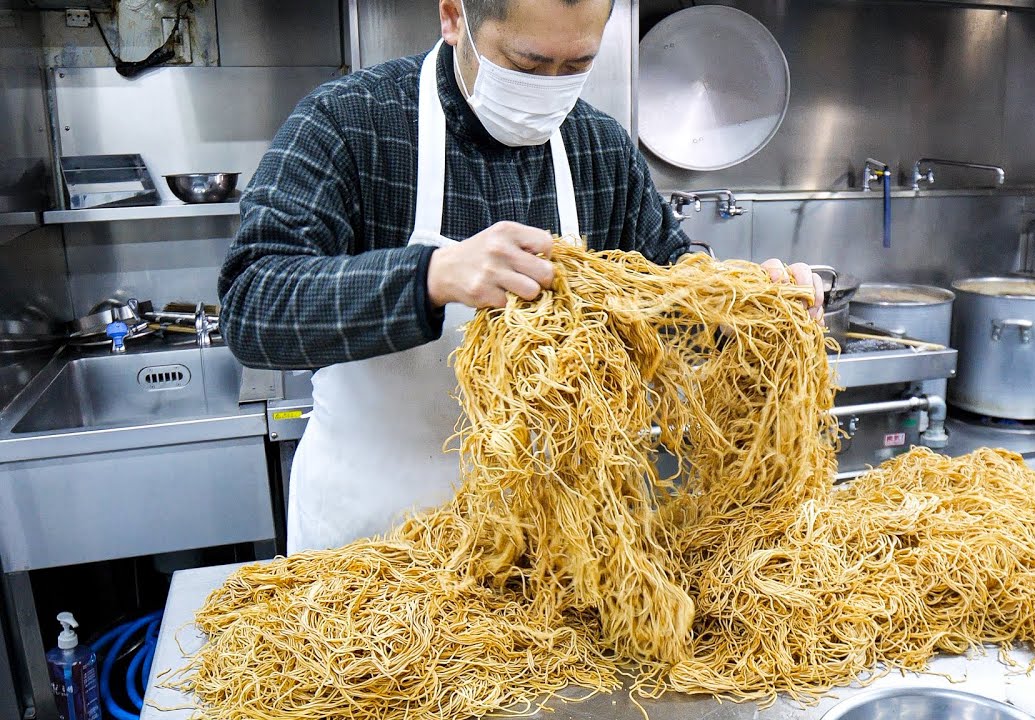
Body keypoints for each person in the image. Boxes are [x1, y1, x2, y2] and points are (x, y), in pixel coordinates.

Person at [218, 0, 823, 554]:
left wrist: (753, 310)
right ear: (454, 17)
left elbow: (674, 322)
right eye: (527, 65)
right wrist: (429, 276)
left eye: (576, 64)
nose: (551, 88)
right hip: (375, 552)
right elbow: (253, 307)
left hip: (554, 557)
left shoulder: (598, 150)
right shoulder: (350, 125)